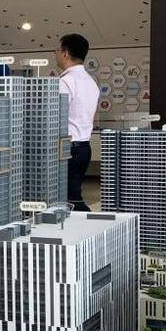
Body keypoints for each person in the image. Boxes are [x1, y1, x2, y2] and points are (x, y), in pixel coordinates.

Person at [57, 32, 100, 211]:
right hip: (84, 147)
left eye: (57, 50)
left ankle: (89, 222)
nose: (56, 54)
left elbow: (55, 116)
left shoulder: (66, 82)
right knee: (73, 194)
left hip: (68, 149)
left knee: (68, 198)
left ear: (65, 53)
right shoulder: (91, 82)